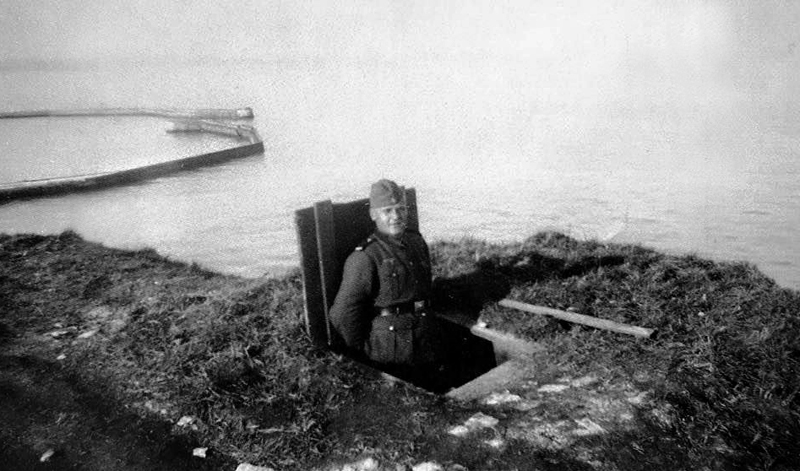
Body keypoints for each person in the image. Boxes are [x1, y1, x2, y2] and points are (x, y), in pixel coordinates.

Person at [329, 179, 437, 374]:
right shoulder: (366, 256)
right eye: (387, 211)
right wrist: (364, 349)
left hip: (426, 339)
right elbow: (342, 313)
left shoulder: (416, 242)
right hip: (391, 350)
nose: (396, 216)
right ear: (373, 214)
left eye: (400, 209)